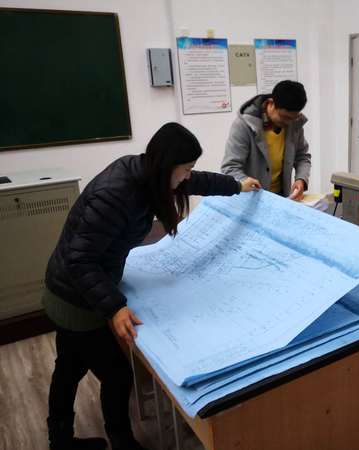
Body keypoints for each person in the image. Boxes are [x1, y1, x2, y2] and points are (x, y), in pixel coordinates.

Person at [42, 122, 260, 450]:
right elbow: (80, 260)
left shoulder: (150, 174)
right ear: (167, 165)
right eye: (185, 168)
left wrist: (237, 186)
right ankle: (121, 442)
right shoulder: (116, 194)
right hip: (75, 298)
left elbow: (197, 181)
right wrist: (115, 307)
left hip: (76, 288)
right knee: (115, 374)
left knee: (69, 366)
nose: (188, 175)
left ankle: (59, 440)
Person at [221, 79, 311, 200]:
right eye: (284, 117)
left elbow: (302, 157)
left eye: (292, 118)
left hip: (281, 196)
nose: (288, 123)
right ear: (271, 103)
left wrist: (301, 179)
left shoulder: (294, 123)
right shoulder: (244, 125)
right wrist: (248, 183)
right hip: (251, 198)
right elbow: (230, 168)